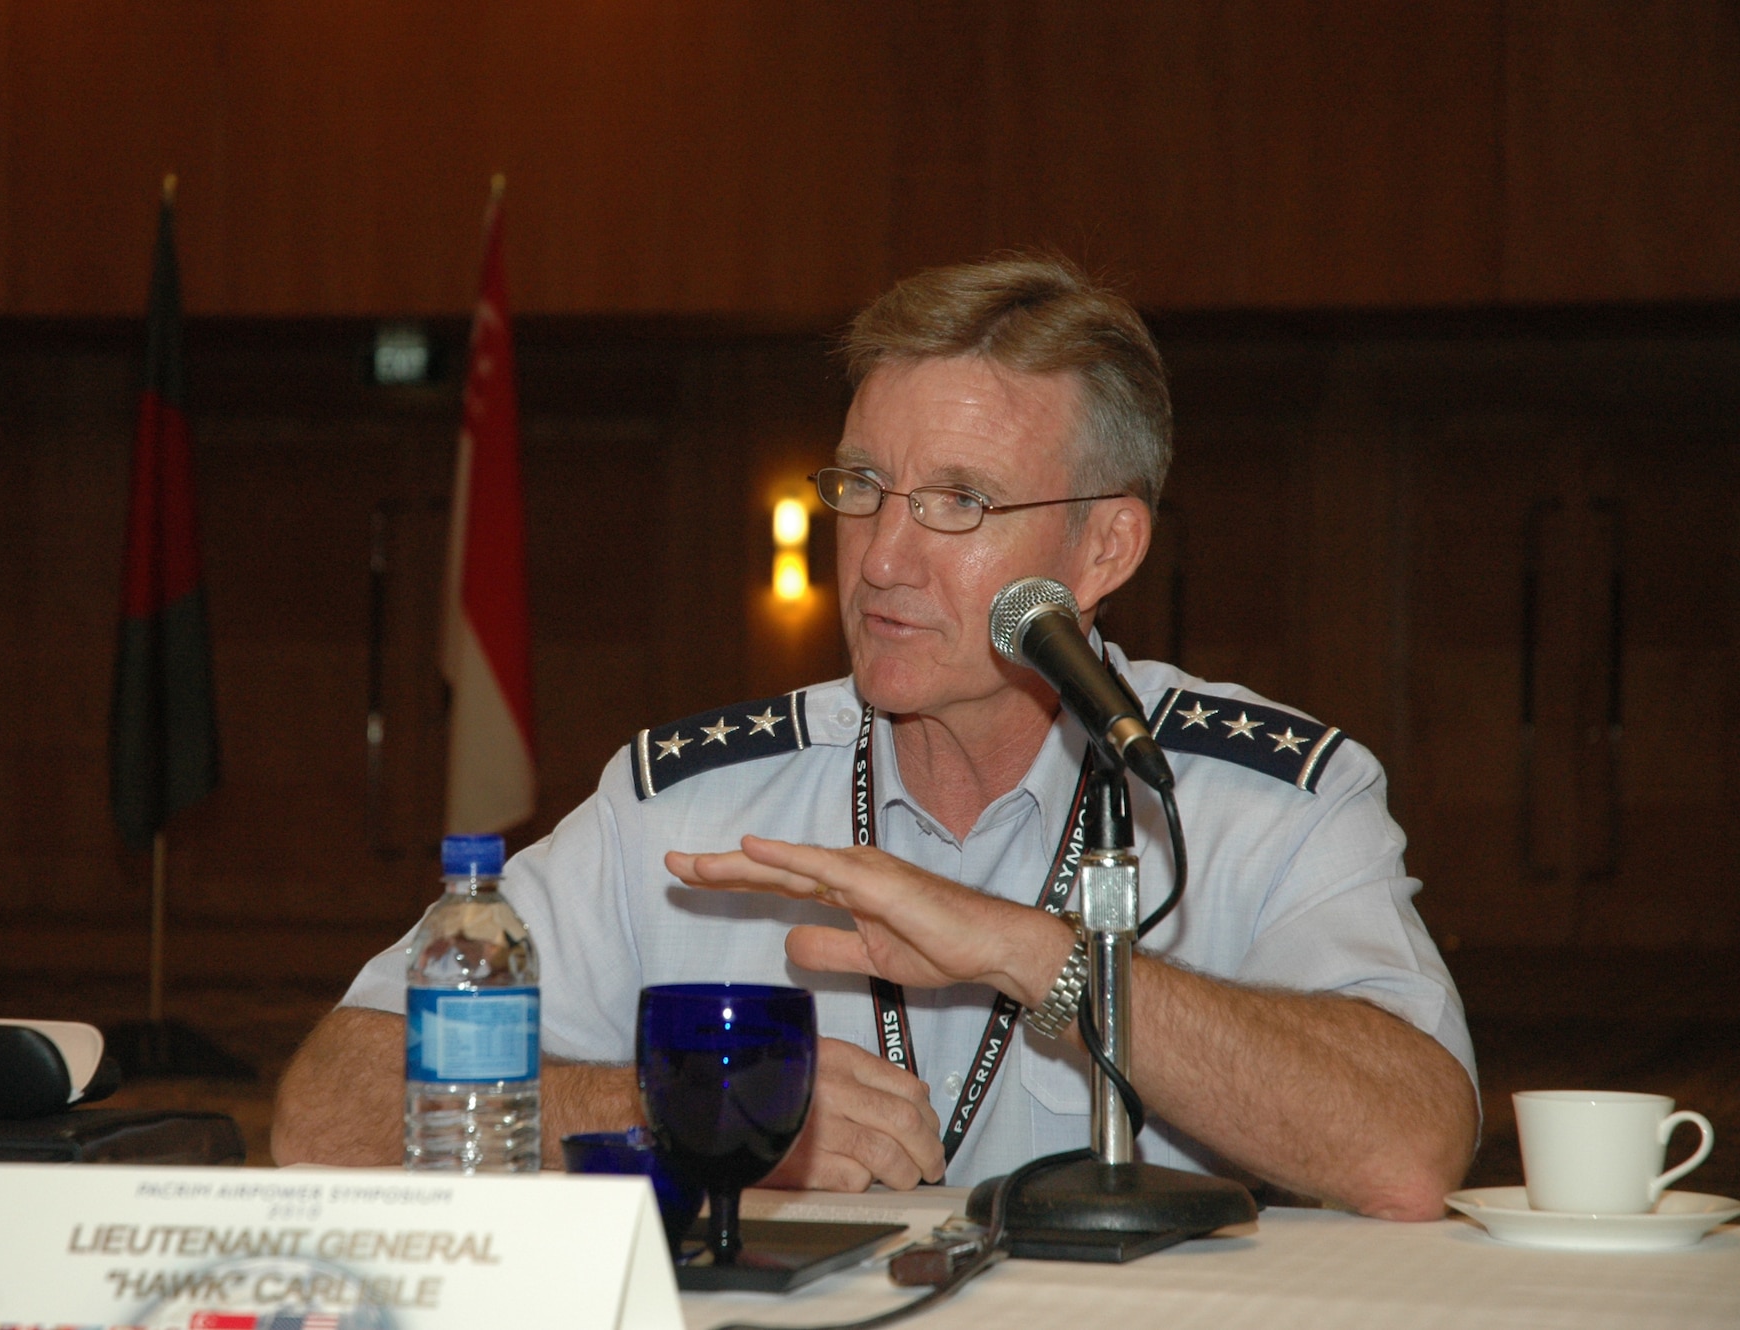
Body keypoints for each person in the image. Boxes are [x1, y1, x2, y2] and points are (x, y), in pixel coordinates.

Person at [273, 254, 1479, 1220]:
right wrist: (673, 1104)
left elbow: (1411, 1148)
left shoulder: (1264, 794)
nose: (883, 558)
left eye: (959, 501)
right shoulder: (688, 807)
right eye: (860, 486)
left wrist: (1042, 956)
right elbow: (326, 1109)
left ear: (1104, 547)